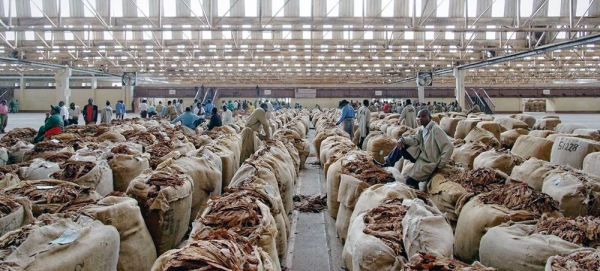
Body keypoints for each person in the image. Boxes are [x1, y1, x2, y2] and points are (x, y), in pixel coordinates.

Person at [377, 109, 453, 189]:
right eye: (419, 117)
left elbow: (449, 147)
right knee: (402, 146)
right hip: (421, 155)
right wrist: (402, 139)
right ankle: (387, 164)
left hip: (429, 162)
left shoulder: (435, 129)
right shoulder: (422, 129)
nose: (420, 118)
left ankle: (418, 197)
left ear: (429, 117)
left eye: (423, 116)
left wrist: (440, 165)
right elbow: (415, 140)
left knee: (410, 181)